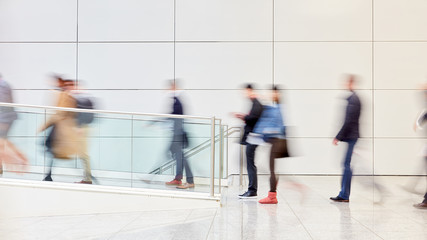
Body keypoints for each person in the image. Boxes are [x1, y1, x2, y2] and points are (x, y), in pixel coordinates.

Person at [250, 85, 288, 204]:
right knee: (272, 169)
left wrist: (260, 133)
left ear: (277, 94)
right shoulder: (277, 107)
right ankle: (273, 194)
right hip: (278, 141)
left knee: (272, 169)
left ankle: (273, 196)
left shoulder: (278, 108)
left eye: (273, 93)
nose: (271, 95)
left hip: (277, 142)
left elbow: (276, 125)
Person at [39, 79, 80, 181]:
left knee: (54, 149)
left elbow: (61, 113)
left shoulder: (68, 97)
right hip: (59, 127)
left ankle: (49, 175)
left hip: (61, 128)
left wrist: (45, 125)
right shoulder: (65, 95)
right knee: (52, 149)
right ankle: (48, 174)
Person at [330, 75, 361, 202]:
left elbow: (349, 120)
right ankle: (343, 193)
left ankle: (344, 195)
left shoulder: (353, 99)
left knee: (346, 165)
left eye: (347, 82)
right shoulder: (353, 98)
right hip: (351, 136)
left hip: (351, 136)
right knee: (346, 164)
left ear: (351, 83)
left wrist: (338, 136)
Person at [234, 84, 263, 198]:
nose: (244, 94)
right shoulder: (255, 103)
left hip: (253, 137)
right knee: (250, 163)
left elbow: (254, 119)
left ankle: (252, 190)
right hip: (252, 137)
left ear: (250, 91)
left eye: (245, 91)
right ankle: (252, 189)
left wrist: (243, 117)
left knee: (250, 164)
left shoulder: (256, 103)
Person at [165, 80, 194, 189]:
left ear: (174, 87)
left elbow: (176, 114)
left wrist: (161, 120)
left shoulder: (177, 100)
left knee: (180, 156)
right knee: (178, 155)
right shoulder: (176, 99)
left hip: (177, 132)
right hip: (177, 131)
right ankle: (179, 178)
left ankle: (188, 180)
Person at [0, 74, 27, 174]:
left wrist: (2, 123)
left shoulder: (2, 86)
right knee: (2, 144)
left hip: (4, 120)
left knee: (2, 144)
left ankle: (20, 161)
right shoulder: (4, 84)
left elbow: (4, 106)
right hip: (5, 120)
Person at [70, 81, 94, 184]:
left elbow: (85, 116)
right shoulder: (83, 99)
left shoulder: (83, 100)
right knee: (82, 153)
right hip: (81, 128)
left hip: (82, 129)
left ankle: (88, 178)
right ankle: (87, 177)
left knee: (83, 154)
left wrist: (79, 127)